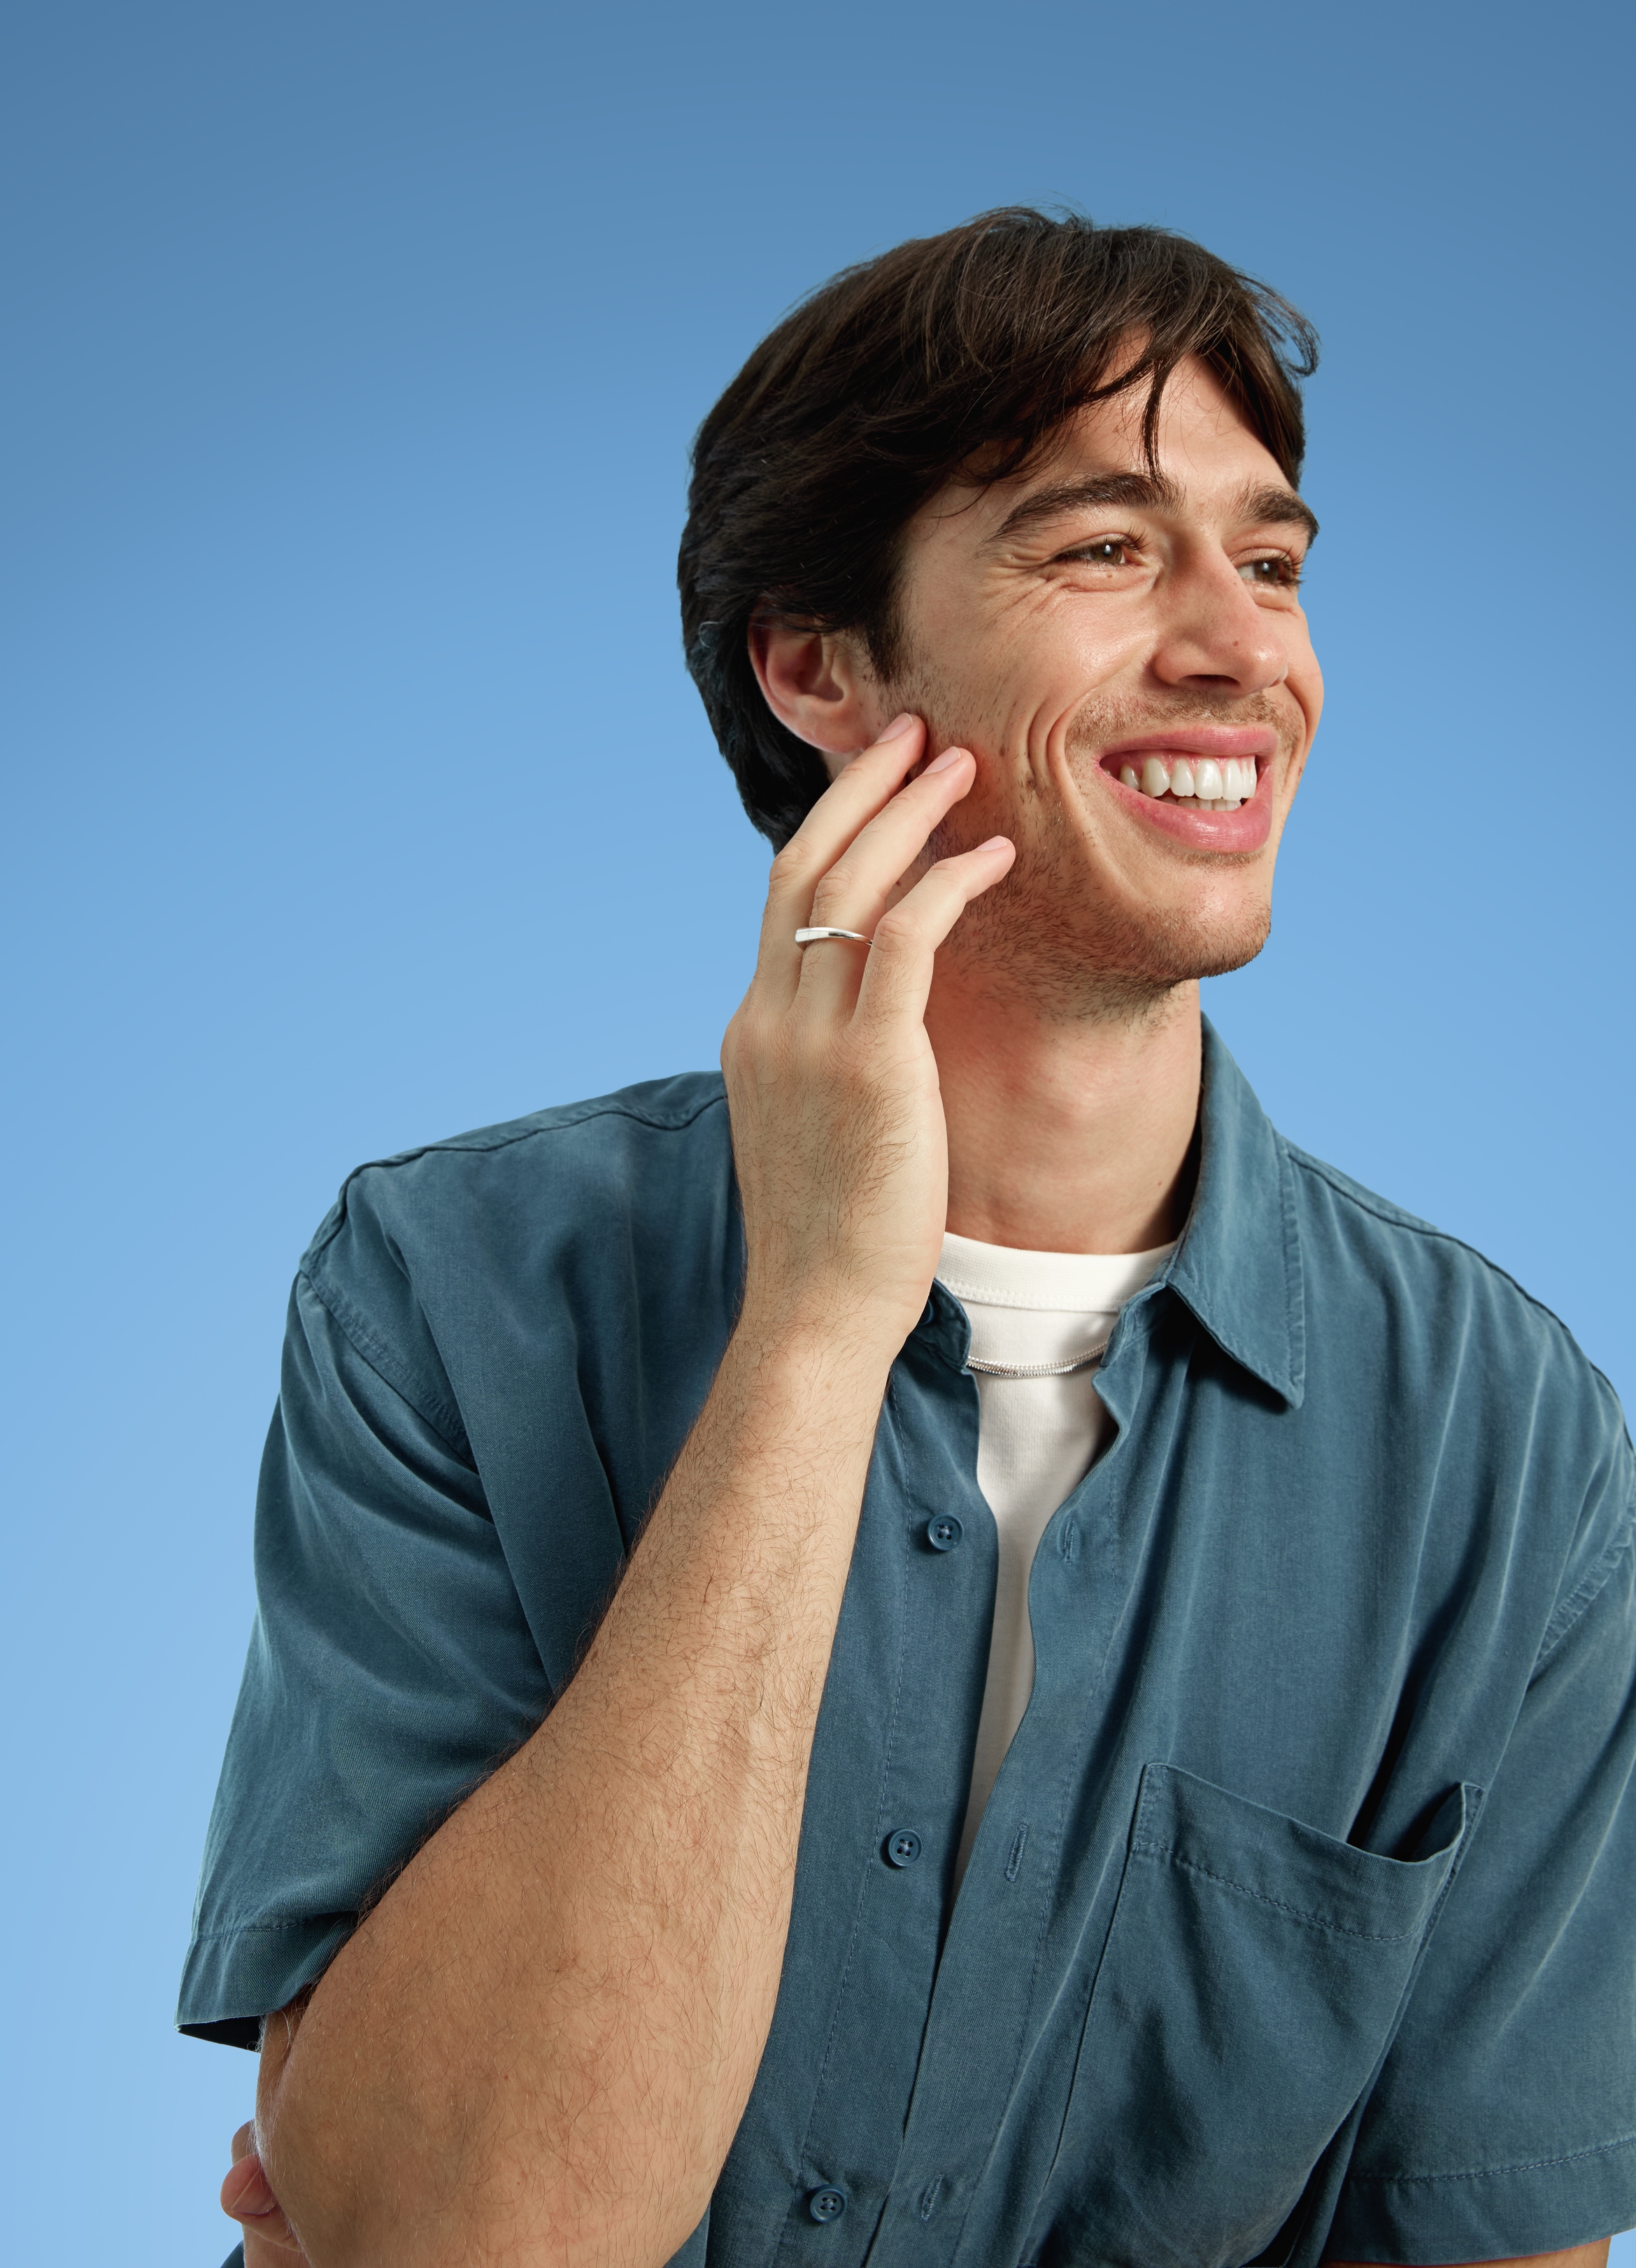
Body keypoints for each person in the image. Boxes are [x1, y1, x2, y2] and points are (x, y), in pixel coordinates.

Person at [187, 211, 1636, 2268]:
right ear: (817, 667)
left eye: (1273, 558)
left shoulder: (1502, 1443)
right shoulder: (455, 1281)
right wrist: (813, 1332)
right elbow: (463, 2229)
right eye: (1103, 547)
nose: (1242, 646)